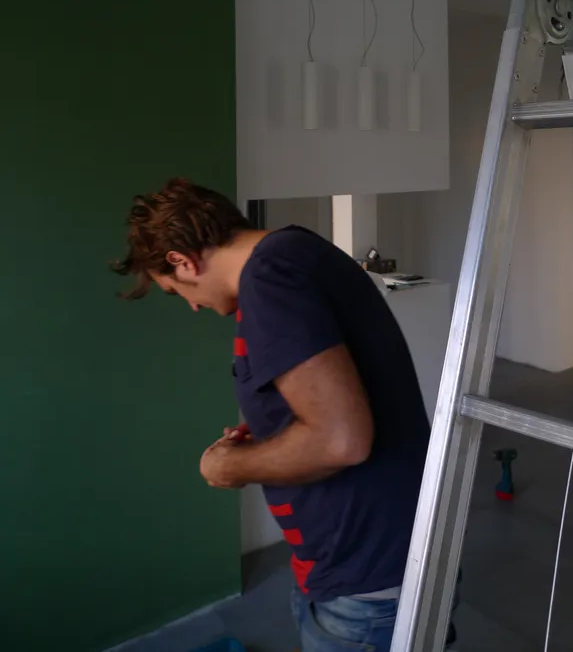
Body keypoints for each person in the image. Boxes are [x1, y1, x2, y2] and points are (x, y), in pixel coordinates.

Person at [113, 178, 457, 650]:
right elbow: (336, 395)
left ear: (183, 261)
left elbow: (340, 440)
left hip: (367, 576)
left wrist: (229, 466)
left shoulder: (269, 280)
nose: (192, 306)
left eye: (177, 291)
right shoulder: (296, 251)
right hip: (381, 557)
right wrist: (271, 431)